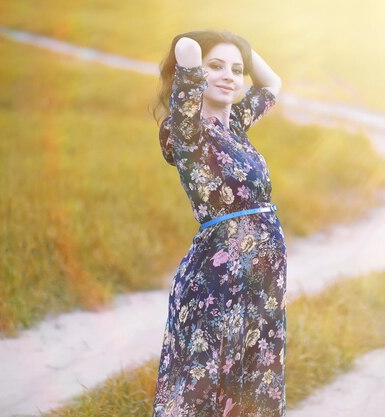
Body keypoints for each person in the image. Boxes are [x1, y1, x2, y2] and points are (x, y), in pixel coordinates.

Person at [151, 30, 286, 417]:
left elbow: (272, 83)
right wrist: (216, 47)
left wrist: (241, 46)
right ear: (194, 76)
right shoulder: (186, 128)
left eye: (237, 70)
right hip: (219, 277)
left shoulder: (237, 126)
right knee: (206, 378)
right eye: (215, 67)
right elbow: (187, 50)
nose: (229, 76)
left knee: (253, 376)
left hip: (264, 278)